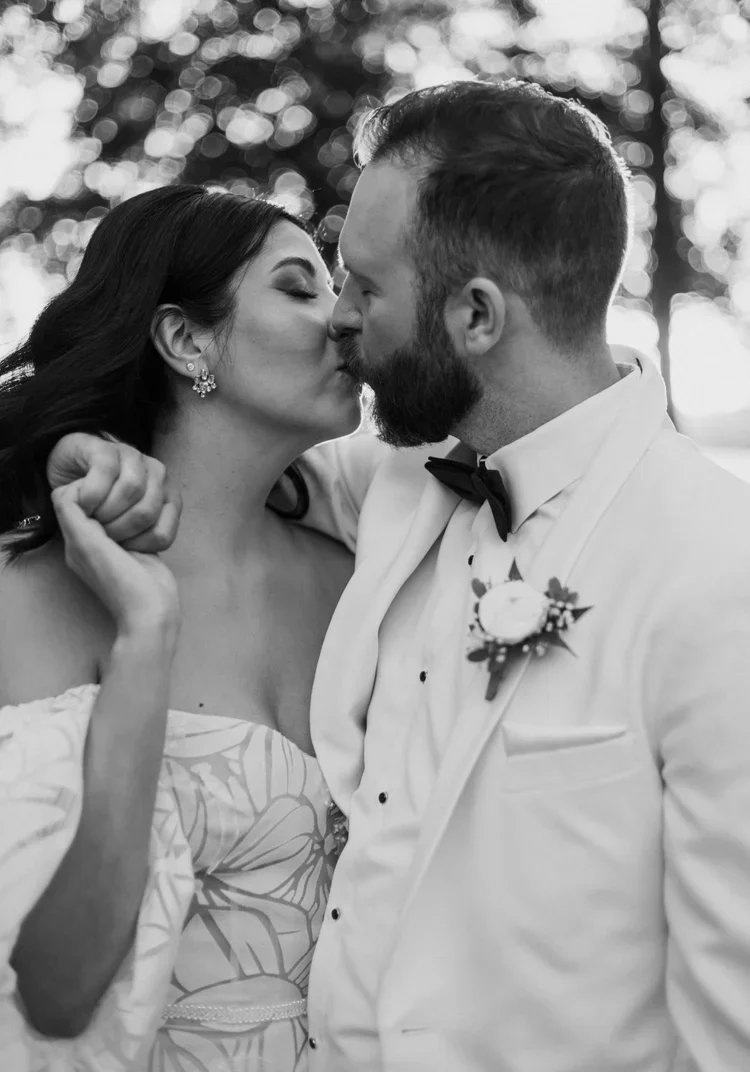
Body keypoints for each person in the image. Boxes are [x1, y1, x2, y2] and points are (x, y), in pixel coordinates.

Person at [56, 79, 750, 1071]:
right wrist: (75, 452)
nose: (341, 319)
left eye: (365, 287)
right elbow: (214, 461)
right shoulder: (389, 481)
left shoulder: (720, 570)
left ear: (475, 317)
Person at [0, 183, 368, 1071]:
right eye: (298, 287)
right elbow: (56, 988)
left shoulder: (367, 577)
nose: (344, 319)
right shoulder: (31, 596)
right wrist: (144, 635)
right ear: (185, 339)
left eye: (342, 287)